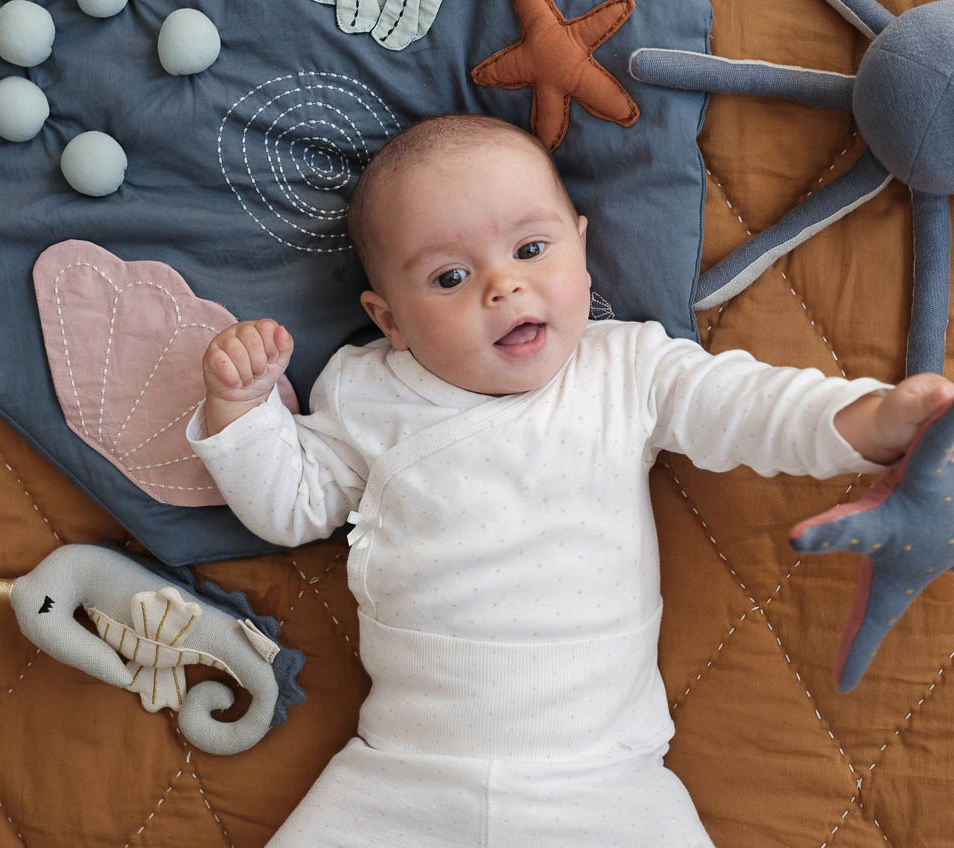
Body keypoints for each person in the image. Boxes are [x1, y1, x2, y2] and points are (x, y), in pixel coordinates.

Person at [187, 114, 954, 847]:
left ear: (580, 250)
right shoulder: (366, 394)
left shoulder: (626, 369)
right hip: (405, 773)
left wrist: (870, 421)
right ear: (389, 321)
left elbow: (746, 408)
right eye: (450, 276)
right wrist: (241, 411)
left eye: (530, 249)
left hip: (608, 779)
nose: (502, 287)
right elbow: (291, 506)